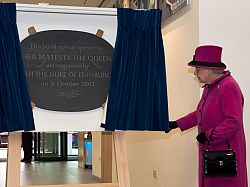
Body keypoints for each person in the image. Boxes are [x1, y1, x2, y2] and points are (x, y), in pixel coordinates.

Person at [168, 45, 248, 187]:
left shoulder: (228, 86)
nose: (195, 74)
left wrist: (209, 135)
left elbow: (233, 121)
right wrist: (176, 124)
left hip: (225, 152)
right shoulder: (210, 87)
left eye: (197, 70)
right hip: (212, 151)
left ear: (209, 70)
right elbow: (199, 114)